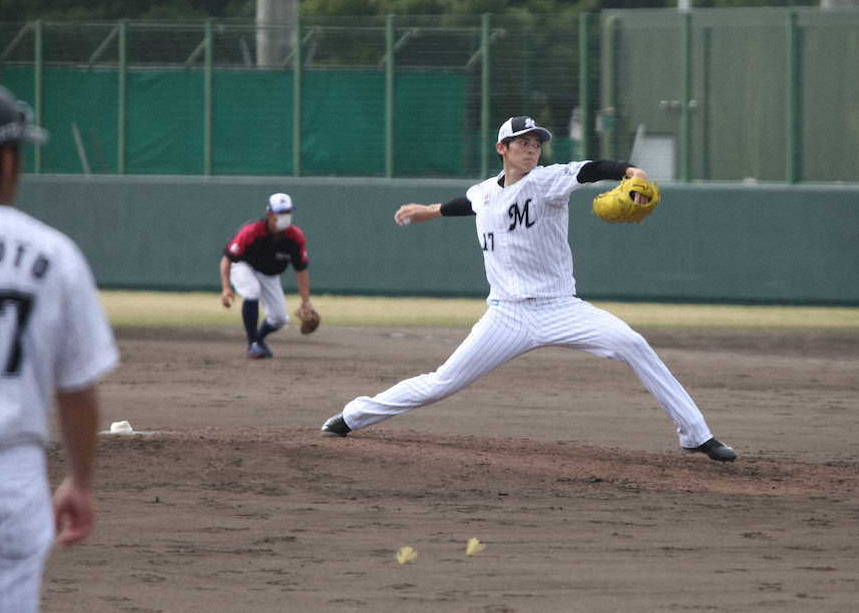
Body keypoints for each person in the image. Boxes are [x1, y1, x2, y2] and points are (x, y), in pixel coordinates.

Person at [320, 115, 736, 462]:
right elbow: (468, 203)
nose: (531, 147)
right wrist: (429, 211)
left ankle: (696, 435)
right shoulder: (484, 192)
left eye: (536, 141)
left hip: (561, 308)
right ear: (502, 148)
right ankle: (353, 416)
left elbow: (592, 169)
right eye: (522, 141)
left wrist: (633, 173)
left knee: (632, 343)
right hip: (506, 314)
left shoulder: (549, 181)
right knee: (442, 382)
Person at [0, 85, 119, 612]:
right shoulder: (51, 253)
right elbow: (76, 390)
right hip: (11, 478)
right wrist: (81, 481)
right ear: (6, 161)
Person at [220, 193, 313, 359]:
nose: (285, 216)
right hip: (243, 266)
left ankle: (259, 339)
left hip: (269, 274)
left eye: (288, 212)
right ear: (269, 214)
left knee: (279, 318)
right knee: (252, 291)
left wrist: (306, 301)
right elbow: (227, 259)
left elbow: (301, 270)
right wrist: (226, 288)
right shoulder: (251, 232)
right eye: (281, 213)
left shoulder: (295, 236)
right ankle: (252, 344)